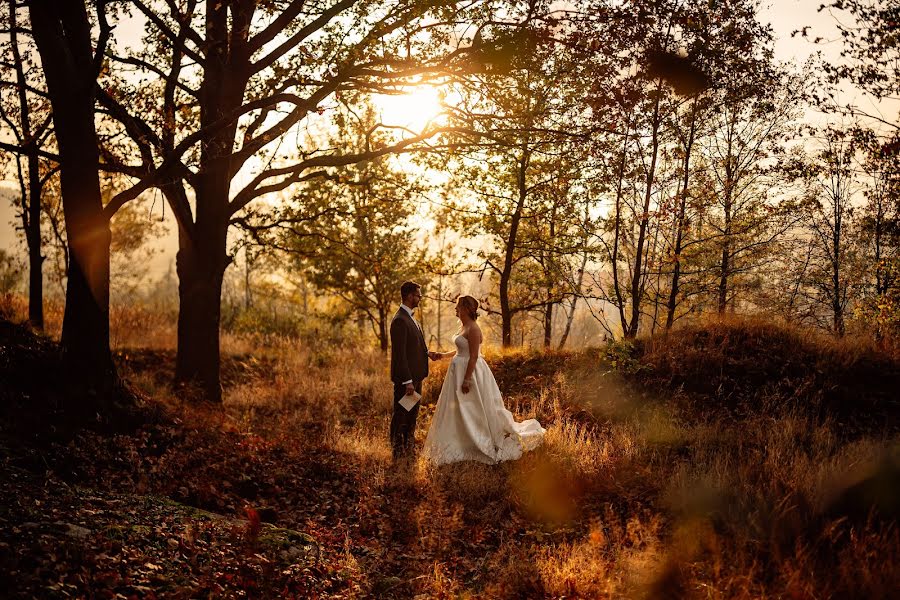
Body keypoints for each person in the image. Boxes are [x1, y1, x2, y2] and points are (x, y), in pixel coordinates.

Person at [423, 295, 545, 465]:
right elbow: (460, 349)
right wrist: (442, 356)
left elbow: (473, 356)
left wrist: (466, 380)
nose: (455, 309)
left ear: (466, 308)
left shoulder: (473, 328)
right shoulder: (464, 326)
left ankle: (477, 441)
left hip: (470, 373)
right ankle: (459, 440)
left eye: (458, 306)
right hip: (457, 371)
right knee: (460, 409)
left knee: (473, 408)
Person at [389, 281, 441, 460]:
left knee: (412, 416)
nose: (420, 298)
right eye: (418, 295)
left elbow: (412, 347)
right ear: (410, 296)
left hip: (416, 378)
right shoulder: (399, 321)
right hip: (407, 381)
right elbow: (400, 355)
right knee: (401, 415)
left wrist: (428, 353)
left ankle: (408, 448)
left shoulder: (412, 319)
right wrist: (407, 382)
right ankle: (397, 452)